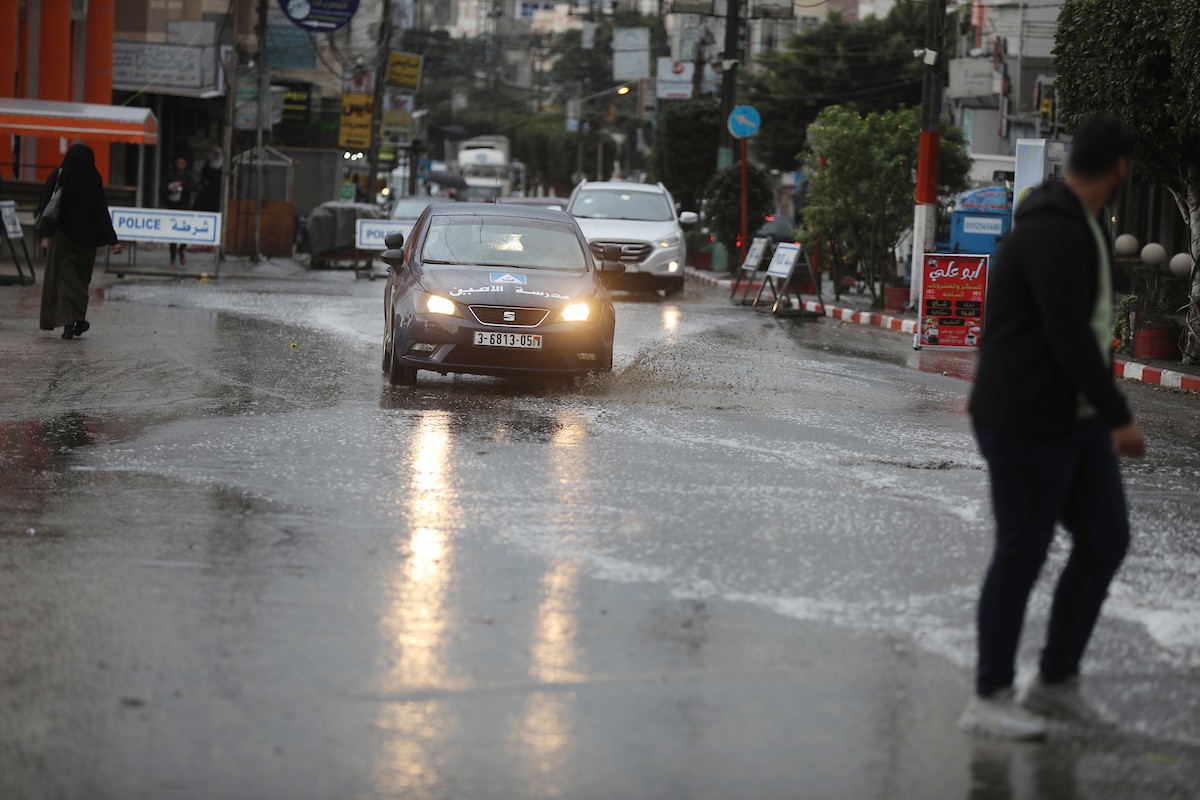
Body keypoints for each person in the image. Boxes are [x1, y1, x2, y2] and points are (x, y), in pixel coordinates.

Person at [958, 114, 1147, 741]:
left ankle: (1055, 683)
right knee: (1023, 549)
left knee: (1104, 538)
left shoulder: (1086, 223)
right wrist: (1120, 416)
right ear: (1119, 169)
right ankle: (989, 694)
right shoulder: (1054, 232)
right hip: (1024, 415)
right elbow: (1069, 336)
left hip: (1074, 416)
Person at [36, 144, 123, 339]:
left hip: (62, 238)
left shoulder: (60, 175)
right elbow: (101, 211)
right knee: (82, 281)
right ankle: (78, 318)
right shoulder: (94, 178)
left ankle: (69, 323)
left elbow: (45, 203)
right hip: (88, 242)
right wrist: (113, 240)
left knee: (65, 279)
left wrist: (44, 229)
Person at [161, 155, 198, 266]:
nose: (180, 166)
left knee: (185, 234)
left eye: (182, 163)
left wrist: (182, 184)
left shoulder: (188, 176)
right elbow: (162, 189)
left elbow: (195, 187)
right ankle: (172, 259)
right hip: (173, 208)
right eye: (178, 163)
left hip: (184, 208)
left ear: (185, 164)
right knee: (172, 235)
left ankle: (181, 250)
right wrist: (170, 187)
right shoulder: (170, 176)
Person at [192, 147, 223, 213]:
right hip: (208, 187)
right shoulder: (209, 162)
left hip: (218, 187)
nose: (217, 155)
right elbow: (203, 172)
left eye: (218, 154)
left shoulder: (223, 164)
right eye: (215, 153)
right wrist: (204, 180)